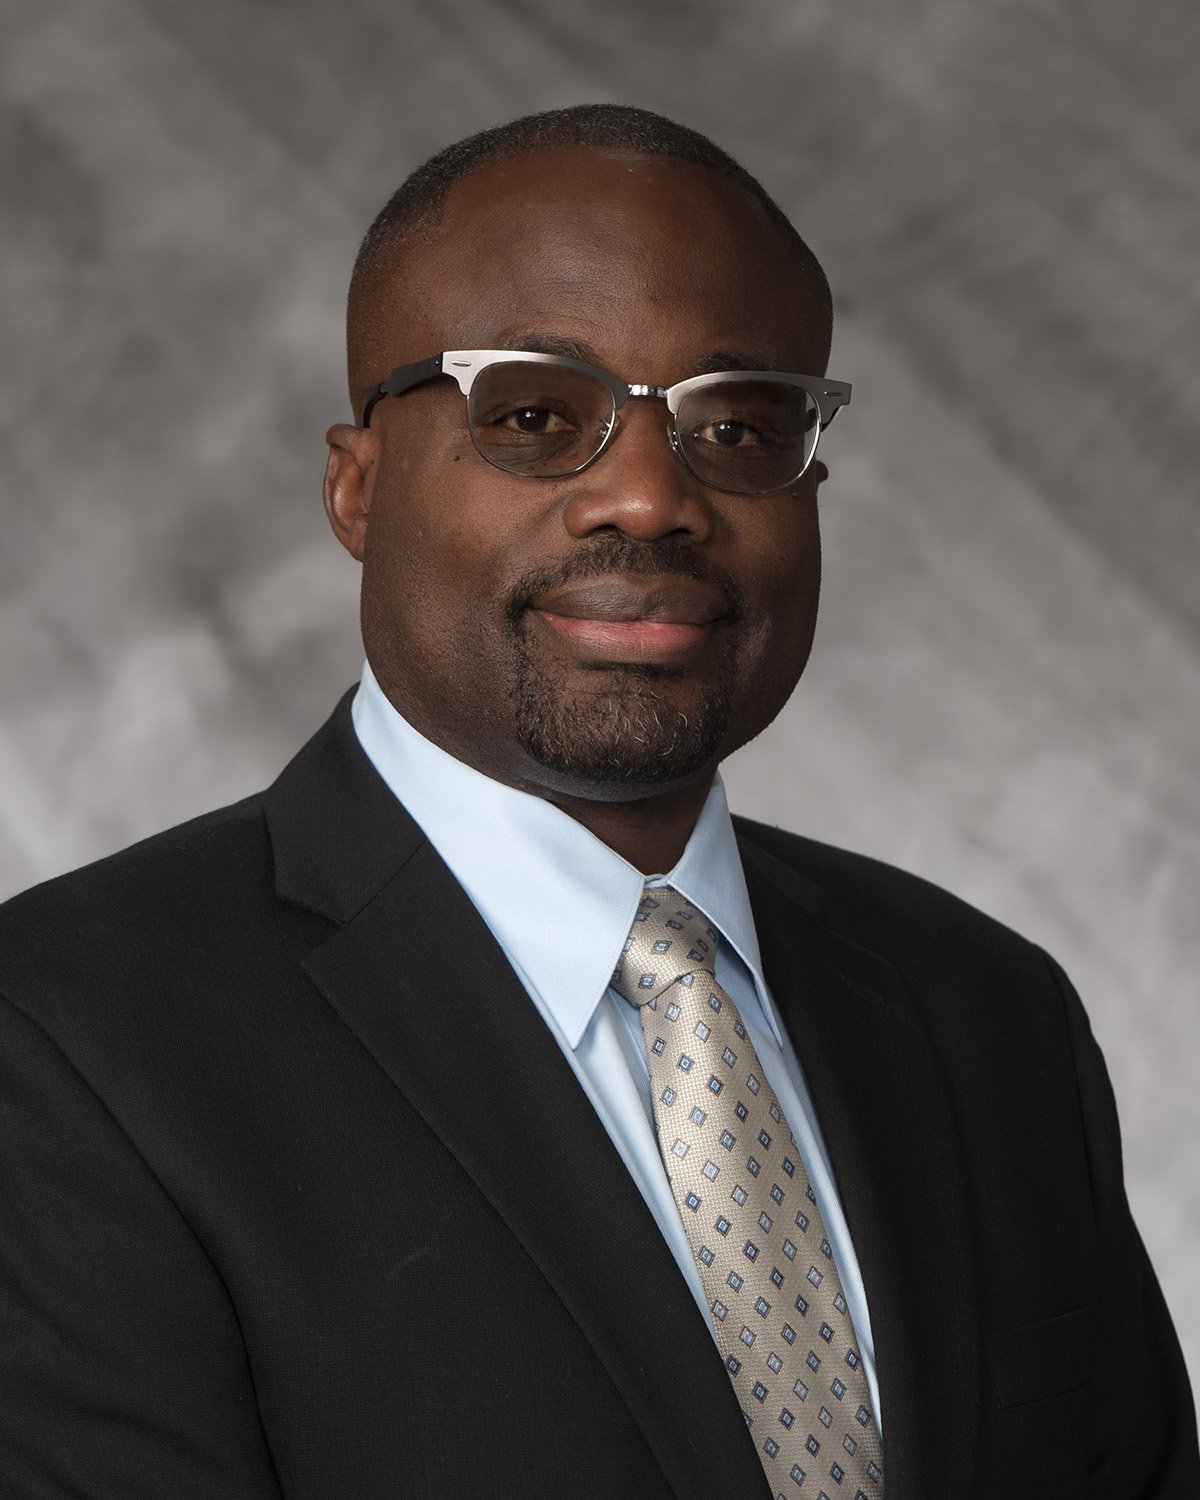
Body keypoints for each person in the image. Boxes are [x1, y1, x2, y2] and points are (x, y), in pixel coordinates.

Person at [0, 104, 1195, 1500]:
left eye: (739, 423)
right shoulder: (66, 1044)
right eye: (530, 416)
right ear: (359, 489)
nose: (646, 496)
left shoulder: (988, 1013)